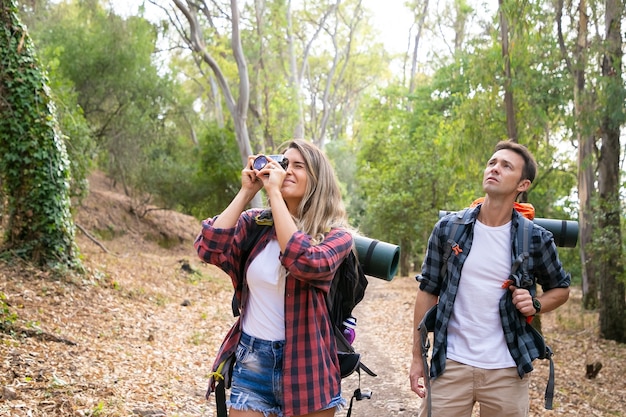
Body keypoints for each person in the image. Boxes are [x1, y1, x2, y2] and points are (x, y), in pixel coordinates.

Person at [409, 140, 571, 417]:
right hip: (450, 364)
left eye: (506, 166)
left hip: (507, 370)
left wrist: (536, 304)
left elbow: (561, 288)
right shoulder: (450, 229)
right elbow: (427, 291)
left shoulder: (535, 238)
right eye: (492, 163)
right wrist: (416, 357)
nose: (494, 168)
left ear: (523, 185)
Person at [195, 139, 352, 417]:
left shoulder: (337, 237)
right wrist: (246, 191)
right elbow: (209, 247)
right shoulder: (255, 224)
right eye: (283, 163)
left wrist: (276, 195)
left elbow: (304, 261)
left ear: (317, 179)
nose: (286, 171)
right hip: (253, 360)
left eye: (298, 166)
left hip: (309, 364)